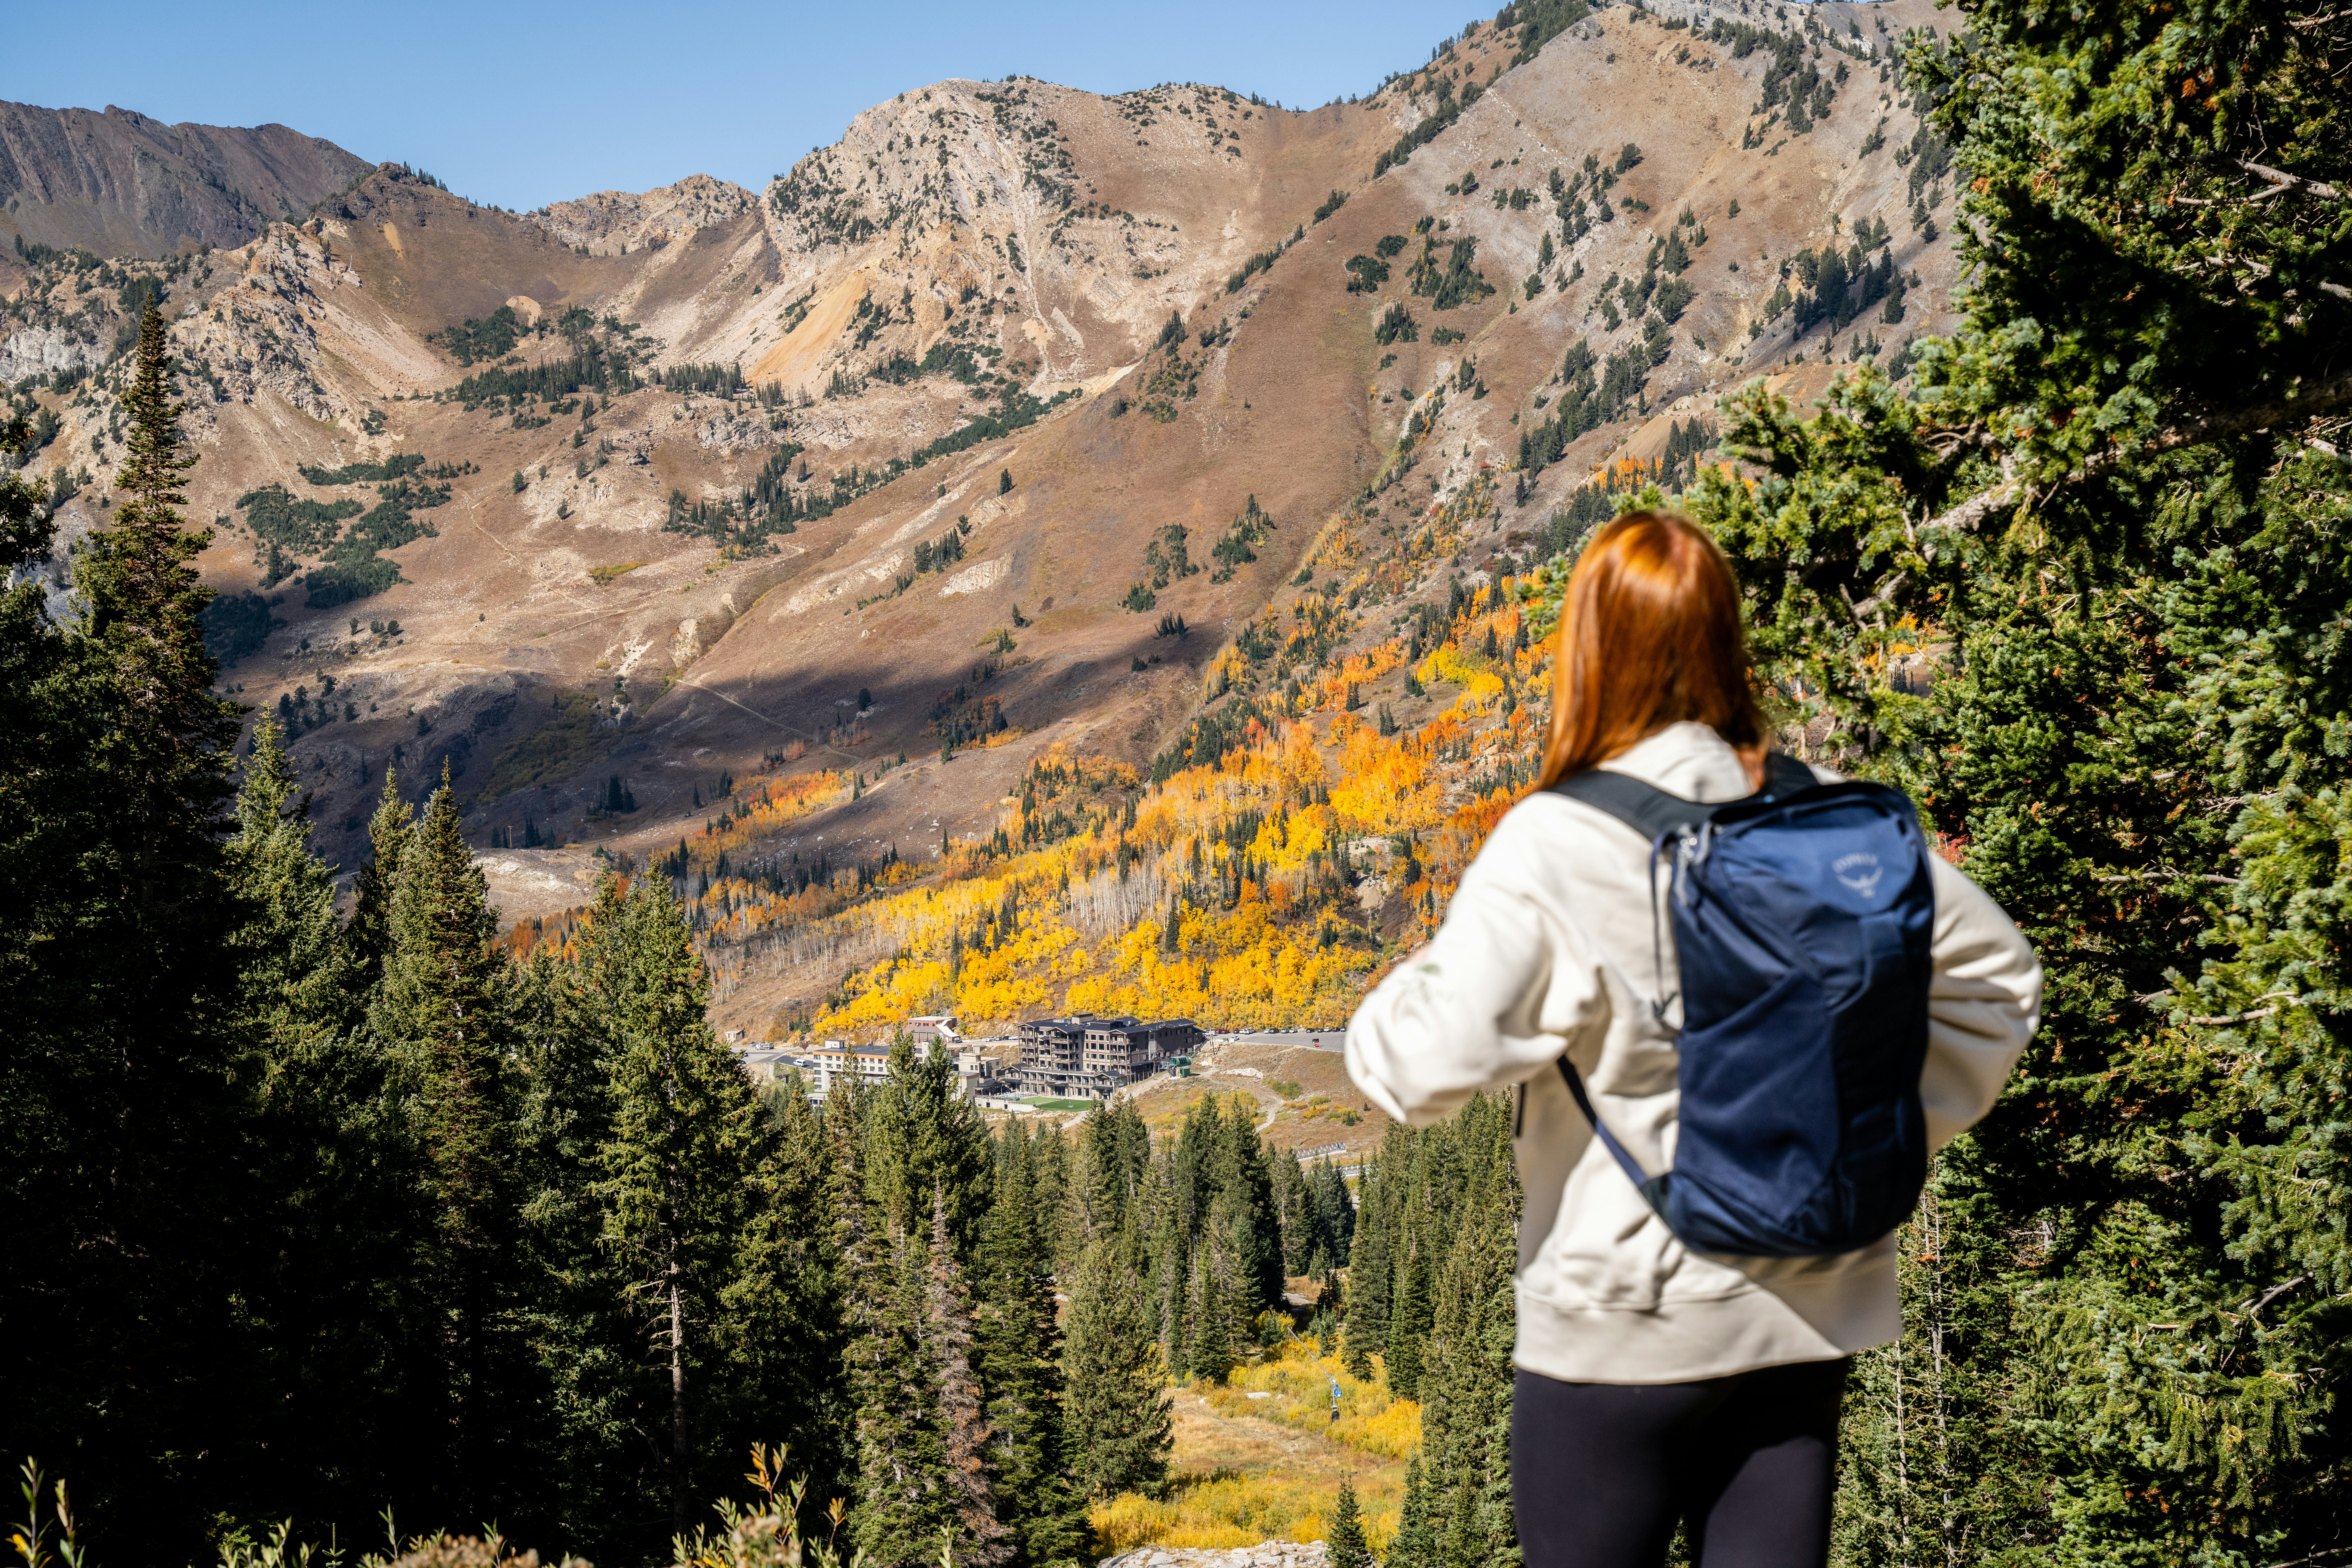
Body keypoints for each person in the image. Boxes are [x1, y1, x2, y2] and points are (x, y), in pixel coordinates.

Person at [1344, 511, 2040, 1568]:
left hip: (1624, 1320)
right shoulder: (1823, 818)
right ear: (1724, 638)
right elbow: (2000, 983)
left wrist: (1389, 1006)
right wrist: (1869, 1127)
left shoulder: (1563, 840)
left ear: (1589, 652)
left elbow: (1421, 1067)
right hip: (1810, 1311)